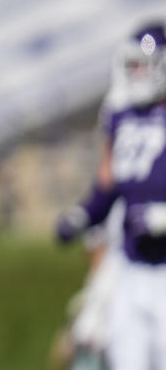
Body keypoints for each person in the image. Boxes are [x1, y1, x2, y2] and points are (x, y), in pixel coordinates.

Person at [56, 22, 166, 370]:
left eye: (143, 65)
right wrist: (83, 215)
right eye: (132, 65)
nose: (136, 74)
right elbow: (107, 186)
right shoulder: (121, 117)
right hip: (131, 268)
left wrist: (160, 218)